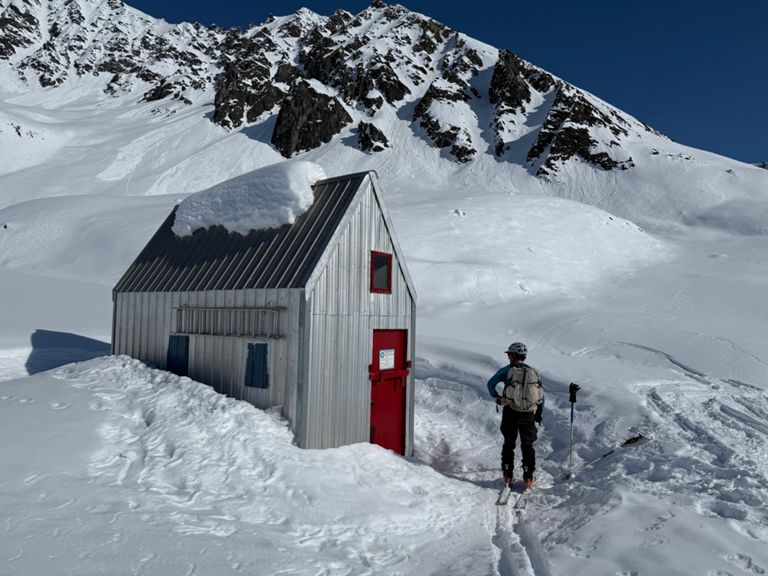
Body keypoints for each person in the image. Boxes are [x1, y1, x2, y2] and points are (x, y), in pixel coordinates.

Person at [487, 342, 544, 488]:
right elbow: (541, 395)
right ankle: (528, 476)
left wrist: (497, 397)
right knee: (527, 445)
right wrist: (539, 413)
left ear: (512, 355)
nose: (508, 357)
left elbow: (490, 384)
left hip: (511, 412)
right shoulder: (533, 372)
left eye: (509, 354)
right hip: (528, 414)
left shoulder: (507, 370)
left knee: (509, 443)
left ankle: (507, 474)